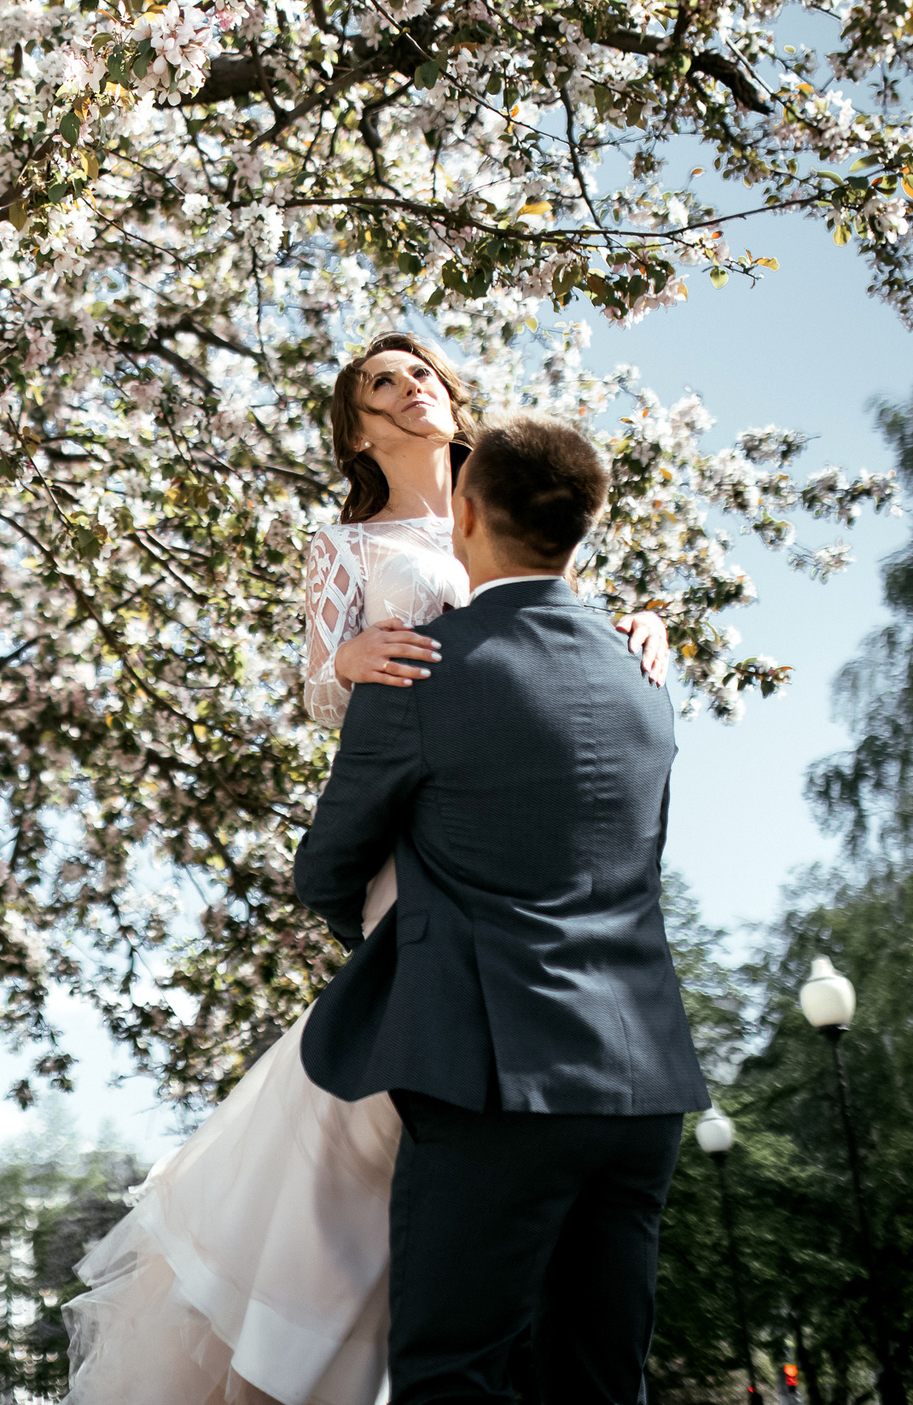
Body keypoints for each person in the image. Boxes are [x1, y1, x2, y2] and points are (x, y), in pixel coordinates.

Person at [63, 335, 668, 1405]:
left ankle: (398, 1315)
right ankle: (315, 1323)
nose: (407, 387)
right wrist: (344, 662)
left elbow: (559, 617)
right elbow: (321, 691)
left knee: (435, 1125)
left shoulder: (515, 499)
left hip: (517, 825)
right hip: (416, 831)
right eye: (379, 383)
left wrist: (646, 627)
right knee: (391, 1102)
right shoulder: (345, 546)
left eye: (420, 372)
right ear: (355, 427)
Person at [297, 411, 708, 1405]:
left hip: (490, 1080)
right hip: (640, 1085)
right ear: (582, 529)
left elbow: (325, 871)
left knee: (451, 1375)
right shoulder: (646, 679)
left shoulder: (419, 674)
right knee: (603, 1383)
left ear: (465, 513)